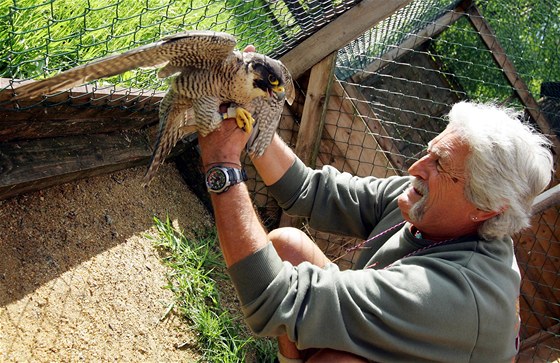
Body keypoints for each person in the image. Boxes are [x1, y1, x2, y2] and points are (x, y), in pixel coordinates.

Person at [198, 99, 553, 362]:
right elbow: (311, 191)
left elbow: (275, 299)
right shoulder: (425, 202)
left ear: (485, 207)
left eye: (440, 165)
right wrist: (255, 113)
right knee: (287, 246)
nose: (416, 167)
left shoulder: (453, 295)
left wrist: (222, 164)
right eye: (429, 152)